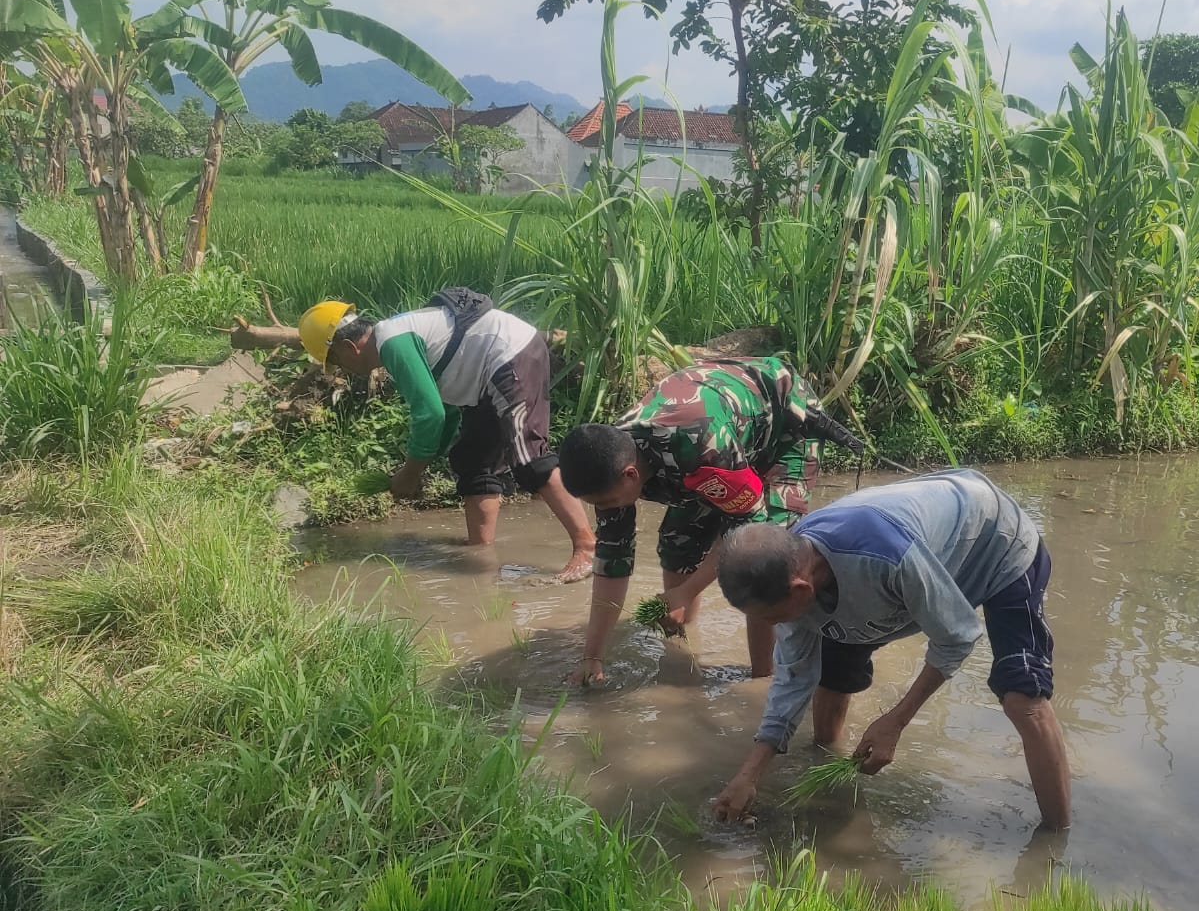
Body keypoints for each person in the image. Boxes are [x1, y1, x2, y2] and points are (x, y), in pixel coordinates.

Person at [709, 468, 1071, 830]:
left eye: (773, 618)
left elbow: (957, 634)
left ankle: (1056, 841)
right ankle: (833, 783)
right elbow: (794, 679)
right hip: (922, 555)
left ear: (801, 590)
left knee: (1023, 698)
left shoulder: (887, 558)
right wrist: (749, 775)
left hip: (997, 544)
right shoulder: (793, 566)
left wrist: (895, 721)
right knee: (833, 672)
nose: (773, 628)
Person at [556, 356, 860, 687]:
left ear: (630, 475)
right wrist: (592, 657)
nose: (605, 509)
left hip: (784, 426)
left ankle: (764, 679)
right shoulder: (609, 463)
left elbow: (747, 526)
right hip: (714, 445)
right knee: (678, 542)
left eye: (607, 503)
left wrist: (686, 591)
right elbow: (612, 563)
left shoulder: (700, 446)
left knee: (761, 559)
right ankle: (683, 649)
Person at [297, 294, 596, 580]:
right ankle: (481, 551)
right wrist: (421, 465)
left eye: (335, 361)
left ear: (350, 347)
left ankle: (587, 548)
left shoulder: (392, 342)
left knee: (529, 458)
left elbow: (430, 414)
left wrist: (410, 472)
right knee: (474, 461)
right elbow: (448, 414)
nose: (342, 370)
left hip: (510, 355)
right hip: (485, 376)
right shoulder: (395, 339)